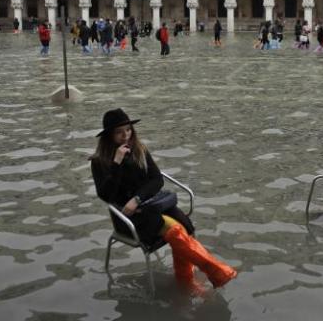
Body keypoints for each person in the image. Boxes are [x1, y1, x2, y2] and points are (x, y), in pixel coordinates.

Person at [91, 109, 236, 291]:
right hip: (127, 218)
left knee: (184, 226)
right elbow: (106, 195)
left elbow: (157, 179)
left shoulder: (139, 150)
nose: (126, 135)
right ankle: (211, 274)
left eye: (128, 130)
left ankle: (187, 282)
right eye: (119, 132)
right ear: (109, 136)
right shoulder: (99, 162)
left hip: (151, 205)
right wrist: (116, 163)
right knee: (175, 231)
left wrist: (137, 198)